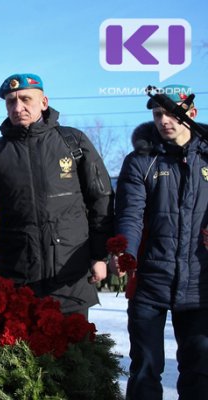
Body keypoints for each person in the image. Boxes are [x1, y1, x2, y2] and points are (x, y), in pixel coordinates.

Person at [0, 73, 113, 317]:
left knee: (75, 353)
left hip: (69, 277)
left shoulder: (73, 142)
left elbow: (100, 198)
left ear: (44, 102)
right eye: (11, 102)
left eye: (26, 99)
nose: (18, 107)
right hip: (19, 278)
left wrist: (101, 255)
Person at [111, 84, 208, 399]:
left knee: (200, 369)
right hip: (150, 283)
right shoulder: (141, 160)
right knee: (145, 368)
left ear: (191, 114)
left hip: (201, 284)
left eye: (172, 113)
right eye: (158, 114)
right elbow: (130, 215)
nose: (165, 120)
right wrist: (125, 252)